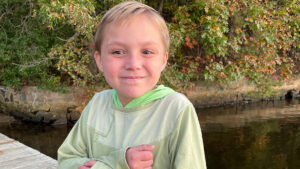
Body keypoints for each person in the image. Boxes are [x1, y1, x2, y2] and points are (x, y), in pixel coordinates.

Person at [57, 1, 207, 169]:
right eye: (118, 52)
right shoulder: (97, 105)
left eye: (147, 52)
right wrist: (119, 163)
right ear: (99, 60)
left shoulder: (176, 110)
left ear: (163, 60)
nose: (133, 64)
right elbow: (66, 161)